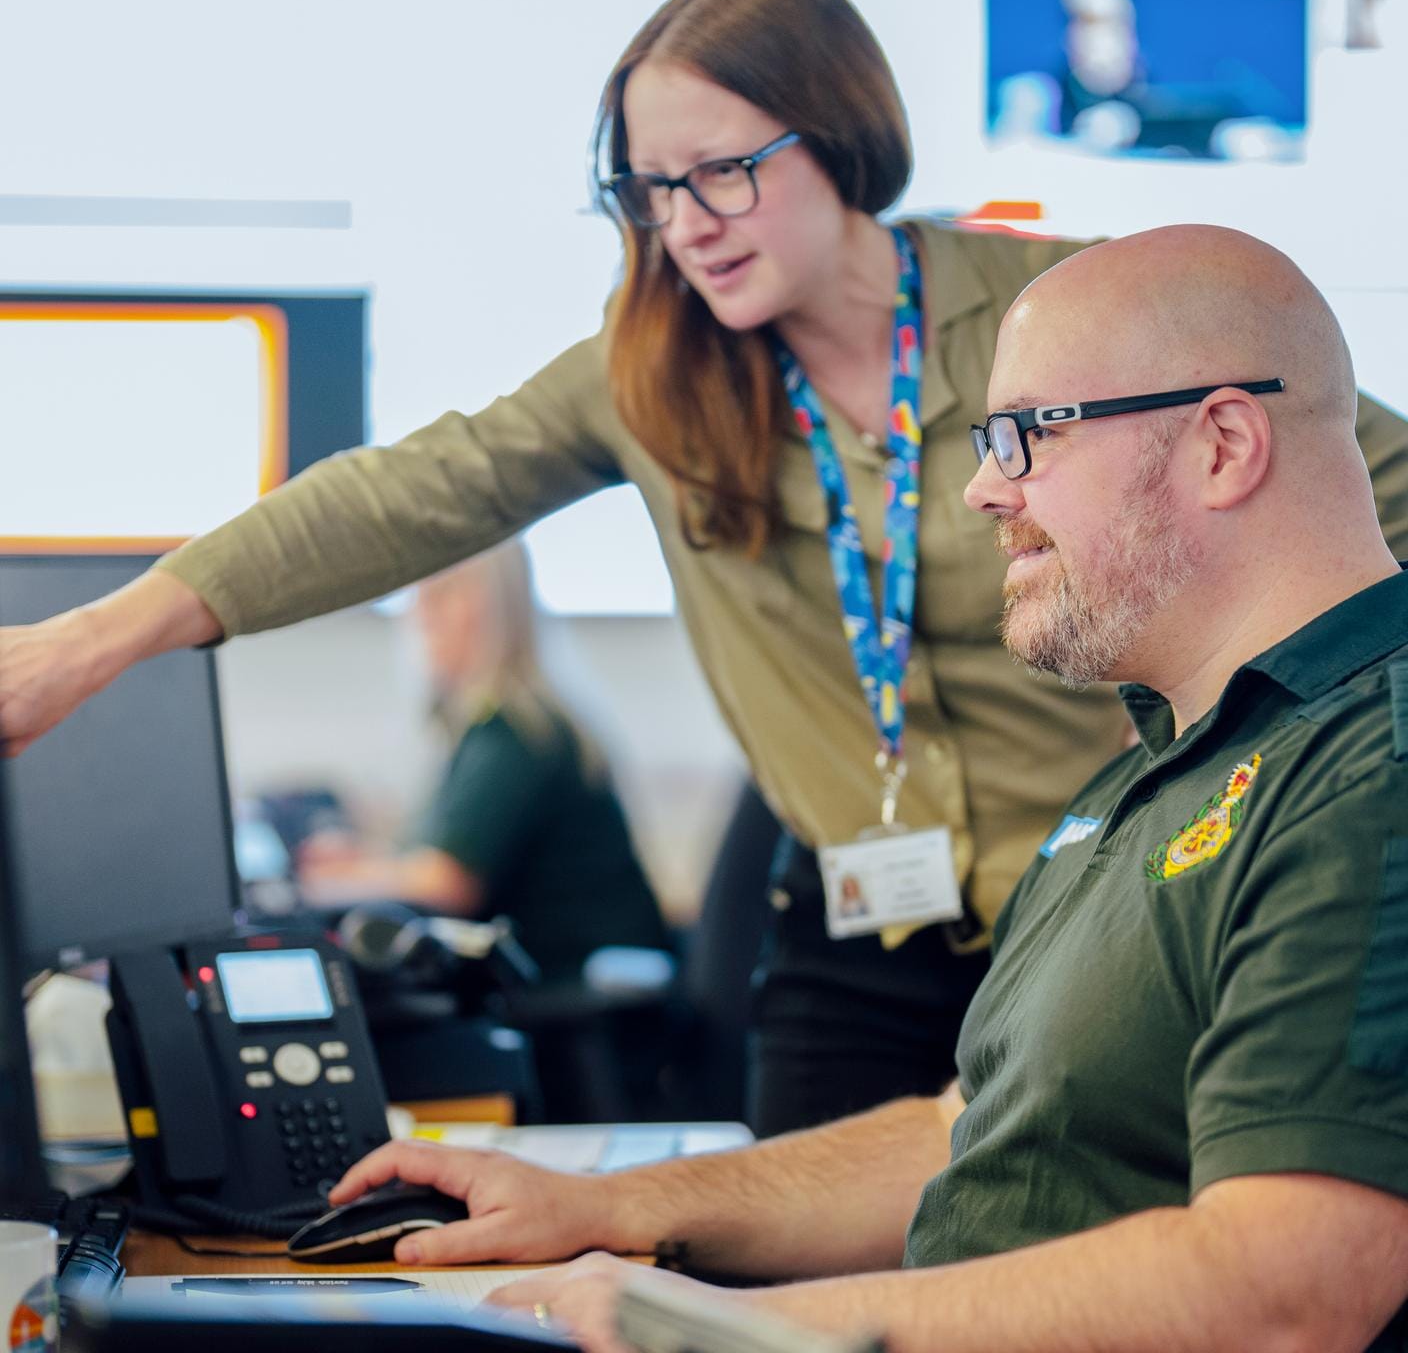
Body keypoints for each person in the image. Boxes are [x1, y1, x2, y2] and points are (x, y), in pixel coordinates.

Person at [4, 0, 1408, 1138]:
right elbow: (404, 498)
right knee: (782, 1269)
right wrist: (91, 643)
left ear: (840, 134)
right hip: (857, 933)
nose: (684, 226)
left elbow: (1339, 458)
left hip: (1117, 902)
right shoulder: (648, 376)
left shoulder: (1057, 317)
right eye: (648, 190)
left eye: (723, 173)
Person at [326, 224, 1408, 1353]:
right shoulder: (1151, 772)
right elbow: (968, 1130)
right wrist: (609, 1207)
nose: (984, 490)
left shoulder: (1366, 773)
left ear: (1224, 444)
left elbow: (1288, 1287)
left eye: (1028, 435)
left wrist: (716, 1325)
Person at [296, 542, 669, 984]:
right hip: (567, 974)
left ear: (497, 609)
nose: (421, 613)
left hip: (570, 983)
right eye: (421, 595)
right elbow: (445, 851)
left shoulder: (514, 732)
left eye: (444, 594)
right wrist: (368, 864)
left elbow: (449, 881)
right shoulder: (501, 723)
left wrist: (320, 885)